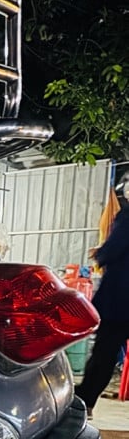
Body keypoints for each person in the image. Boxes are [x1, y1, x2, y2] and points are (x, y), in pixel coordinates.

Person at [75, 174, 129, 416]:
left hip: (120, 301)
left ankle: (85, 401)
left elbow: (113, 249)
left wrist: (100, 253)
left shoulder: (127, 217)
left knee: (104, 353)